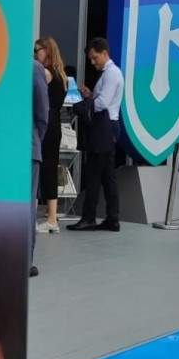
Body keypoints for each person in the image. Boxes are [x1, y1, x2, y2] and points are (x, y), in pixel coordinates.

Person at [67, 38, 124, 232]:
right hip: (107, 126)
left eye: (94, 57)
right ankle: (112, 219)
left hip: (104, 126)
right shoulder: (110, 73)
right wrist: (90, 96)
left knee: (93, 174)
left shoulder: (112, 73)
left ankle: (89, 217)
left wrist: (82, 105)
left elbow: (103, 103)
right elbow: (101, 100)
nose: (92, 62)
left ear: (104, 53)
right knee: (108, 176)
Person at [35, 37, 67, 233]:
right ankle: (52, 216)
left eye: (37, 50)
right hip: (55, 123)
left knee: (43, 168)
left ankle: (51, 219)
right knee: (50, 168)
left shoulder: (44, 72)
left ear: (46, 51)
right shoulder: (61, 75)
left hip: (46, 123)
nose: (34, 54)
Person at [30, 59, 50, 277]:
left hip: (0, 148)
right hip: (27, 146)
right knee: (27, 206)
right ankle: (25, 262)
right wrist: (37, 138)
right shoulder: (34, 68)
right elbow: (43, 112)